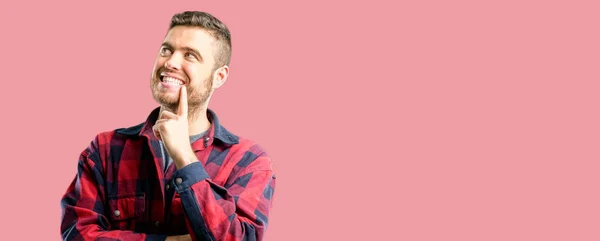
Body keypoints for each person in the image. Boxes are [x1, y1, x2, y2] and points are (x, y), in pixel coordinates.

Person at [60, 11, 276, 241]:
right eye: (166, 50)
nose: (171, 62)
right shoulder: (105, 149)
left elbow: (239, 238)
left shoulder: (249, 161)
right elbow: (77, 234)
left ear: (219, 77)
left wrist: (185, 157)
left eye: (190, 55)